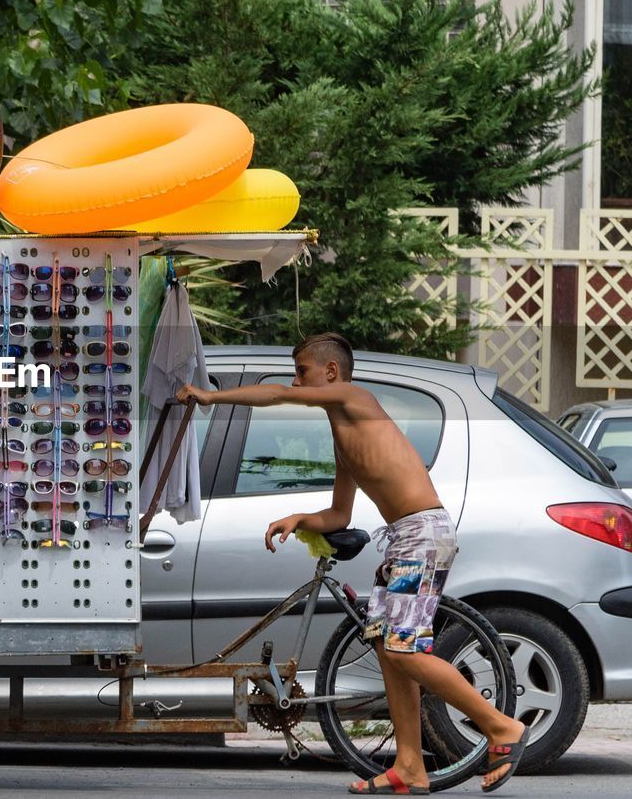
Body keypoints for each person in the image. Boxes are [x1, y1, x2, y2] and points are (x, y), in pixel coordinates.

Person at [177, 333, 528, 795]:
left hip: (423, 534)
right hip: (405, 539)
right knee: (388, 649)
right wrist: (301, 518)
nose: (295, 380)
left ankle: (501, 727)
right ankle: (409, 766)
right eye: (295, 372)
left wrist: (210, 395)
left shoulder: (357, 398)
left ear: (330, 373)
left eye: (302, 370)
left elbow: (279, 395)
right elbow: (339, 515)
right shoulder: (345, 438)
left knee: (403, 650)